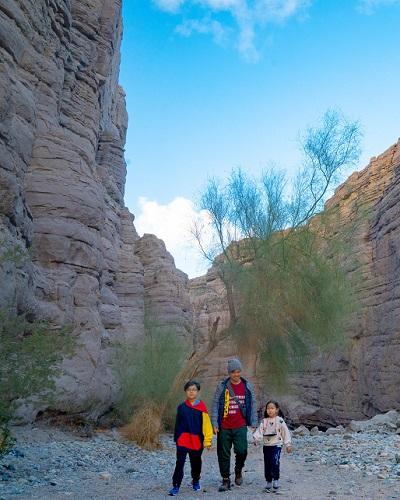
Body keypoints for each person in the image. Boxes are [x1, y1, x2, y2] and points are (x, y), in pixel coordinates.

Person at [211, 358, 257, 492]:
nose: (236, 374)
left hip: (240, 425)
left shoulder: (247, 386)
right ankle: (225, 479)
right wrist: (214, 423)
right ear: (229, 373)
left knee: (242, 450)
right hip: (224, 426)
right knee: (223, 454)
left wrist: (253, 422)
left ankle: (238, 470)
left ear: (240, 371)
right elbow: (215, 405)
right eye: (233, 372)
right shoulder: (222, 386)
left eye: (238, 371)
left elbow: (253, 404)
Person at [168, 380, 213, 496]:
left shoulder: (202, 408)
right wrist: (176, 439)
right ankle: (176, 485)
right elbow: (177, 424)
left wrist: (208, 441)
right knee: (180, 463)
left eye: (194, 390)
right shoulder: (181, 407)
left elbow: (207, 425)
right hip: (183, 439)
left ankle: (196, 480)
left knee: (196, 462)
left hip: (197, 440)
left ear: (197, 391)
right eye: (189, 390)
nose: (191, 392)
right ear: (185, 392)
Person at [253, 400, 292, 493]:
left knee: (275, 461)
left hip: (277, 445)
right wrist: (256, 439)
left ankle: (276, 479)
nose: (270, 410)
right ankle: (268, 481)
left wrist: (288, 444)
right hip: (266, 445)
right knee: (267, 463)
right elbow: (260, 431)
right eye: (268, 408)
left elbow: (285, 432)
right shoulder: (264, 421)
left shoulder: (280, 421)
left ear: (277, 410)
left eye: (272, 408)